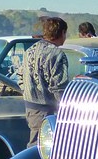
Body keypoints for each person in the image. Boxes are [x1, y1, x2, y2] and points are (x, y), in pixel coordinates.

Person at [21, 16, 70, 146]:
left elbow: (21, 76)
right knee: (44, 149)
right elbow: (59, 87)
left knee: (36, 145)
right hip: (47, 108)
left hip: (30, 107)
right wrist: (66, 109)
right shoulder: (56, 54)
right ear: (62, 32)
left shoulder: (29, 51)